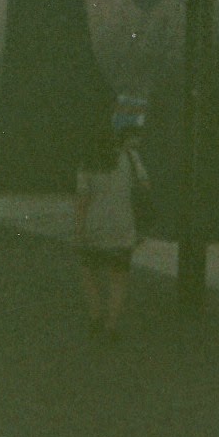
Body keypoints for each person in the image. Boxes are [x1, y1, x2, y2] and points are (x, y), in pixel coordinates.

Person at [75, 115, 150, 342]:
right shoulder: (130, 157)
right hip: (123, 227)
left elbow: (82, 201)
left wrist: (78, 231)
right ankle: (111, 326)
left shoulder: (87, 162)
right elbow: (145, 186)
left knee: (89, 274)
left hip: (94, 228)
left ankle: (96, 316)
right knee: (118, 279)